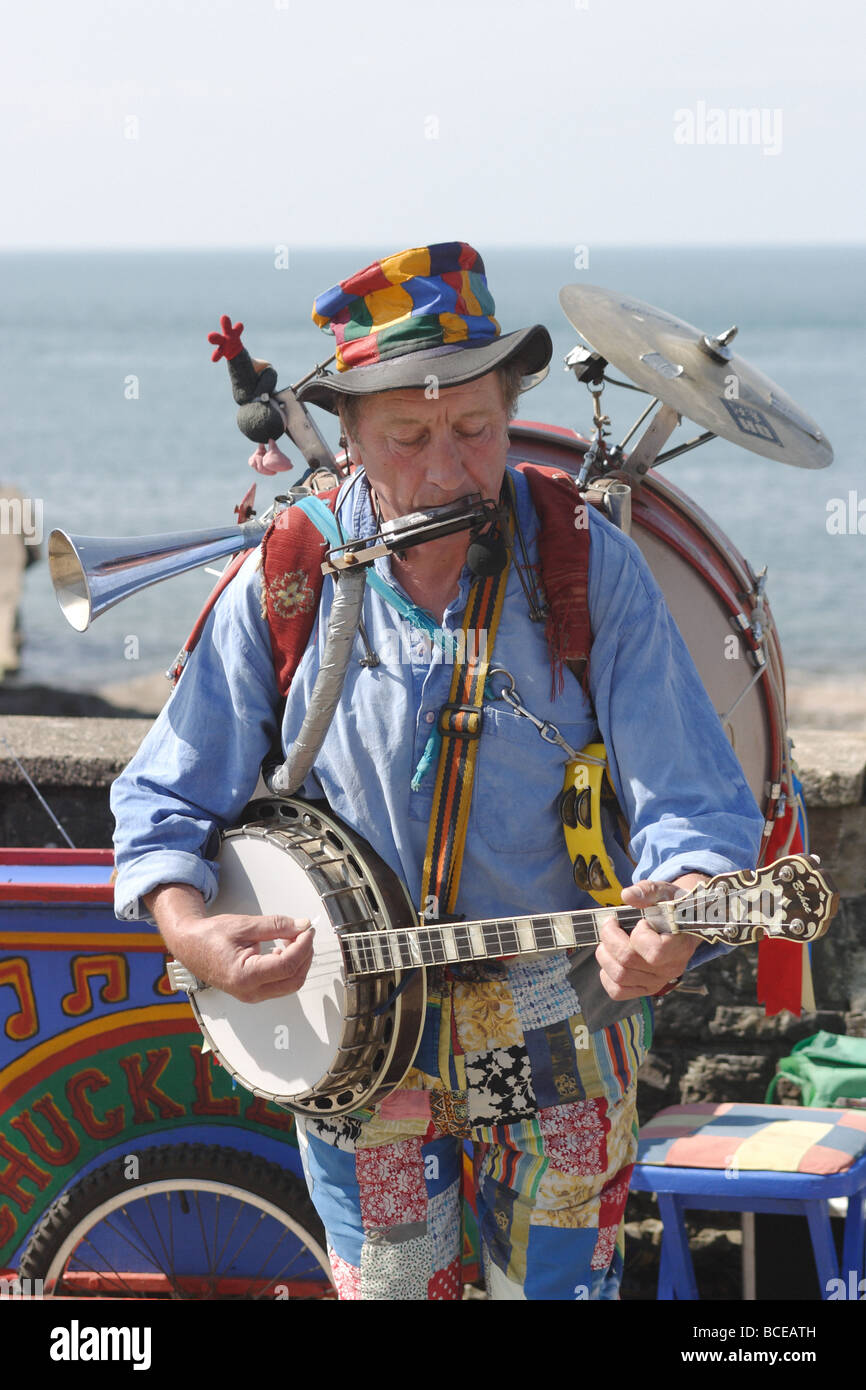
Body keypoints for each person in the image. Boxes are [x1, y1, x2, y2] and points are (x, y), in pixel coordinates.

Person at [111, 241, 764, 1301]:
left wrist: (678, 914)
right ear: (353, 438)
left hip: (557, 1021)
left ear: (509, 411)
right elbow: (164, 795)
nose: (449, 468)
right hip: (359, 1043)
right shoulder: (291, 574)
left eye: (475, 429)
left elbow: (689, 800)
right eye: (409, 437)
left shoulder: (586, 561)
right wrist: (191, 932)